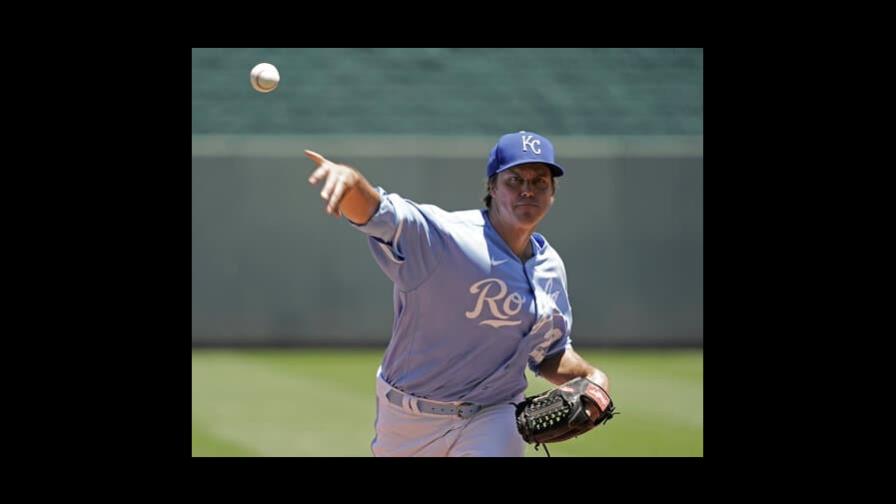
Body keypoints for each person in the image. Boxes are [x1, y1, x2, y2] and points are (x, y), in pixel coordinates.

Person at [304, 131, 611, 457]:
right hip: (408, 418)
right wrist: (351, 183)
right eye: (515, 179)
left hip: (494, 412)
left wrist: (591, 375)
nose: (527, 189)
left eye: (540, 181)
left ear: (552, 193)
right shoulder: (447, 237)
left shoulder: (550, 267)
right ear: (492, 187)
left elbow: (547, 351)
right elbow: (381, 214)